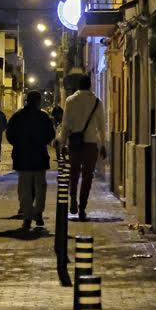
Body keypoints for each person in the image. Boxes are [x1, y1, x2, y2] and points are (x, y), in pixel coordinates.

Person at [6, 90, 56, 232]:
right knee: (40, 188)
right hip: (39, 157)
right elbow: (50, 135)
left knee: (25, 188)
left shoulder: (18, 116)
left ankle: (27, 217)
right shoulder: (43, 117)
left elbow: (9, 135)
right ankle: (38, 213)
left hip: (22, 157)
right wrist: (41, 143)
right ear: (38, 101)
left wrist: (18, 145)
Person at [58, 75, 107, 220]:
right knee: (87, 176)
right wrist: (103, 144)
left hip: (74, 143)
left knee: (74, 174)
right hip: (91, 144)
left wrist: (62, 143)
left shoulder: (70, 100)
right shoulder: (97, 102)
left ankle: (72, 198)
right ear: (90, 85)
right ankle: (82, 207)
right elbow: (102, 126)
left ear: (78, 86)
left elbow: (65, 124)